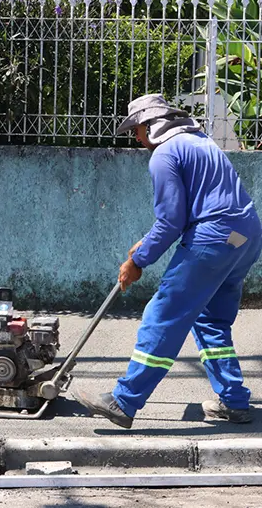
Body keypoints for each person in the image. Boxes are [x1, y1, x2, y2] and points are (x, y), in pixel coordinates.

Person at [75, 94, 262, 428]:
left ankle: (124, 400)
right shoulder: (199, 141)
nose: (135, 137)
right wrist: (145, 244)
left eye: (136, 129)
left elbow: (171, 221)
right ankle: (233, 401)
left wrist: (139, 261)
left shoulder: (163, 155)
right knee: (211, 320)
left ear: (151, 124)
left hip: (215, 237)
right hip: (244, 236)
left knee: (163, 314)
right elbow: (196, 207)